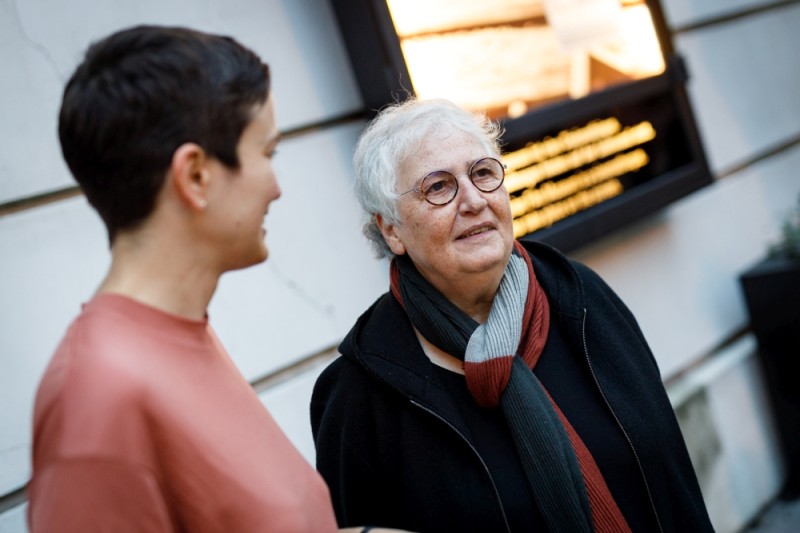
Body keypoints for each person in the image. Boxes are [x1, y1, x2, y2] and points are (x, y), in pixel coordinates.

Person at [28, 25, 379, 533]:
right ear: (195, 176)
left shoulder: (182, 333)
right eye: (268, 153)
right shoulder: (95, 399)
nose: (277, 187)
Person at [310, 97, 715, 533]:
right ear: (391, 229)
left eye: (483, 173)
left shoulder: (582, 300)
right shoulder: (359, 395)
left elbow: (674, 485)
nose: (473, 200)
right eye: (438, 187)